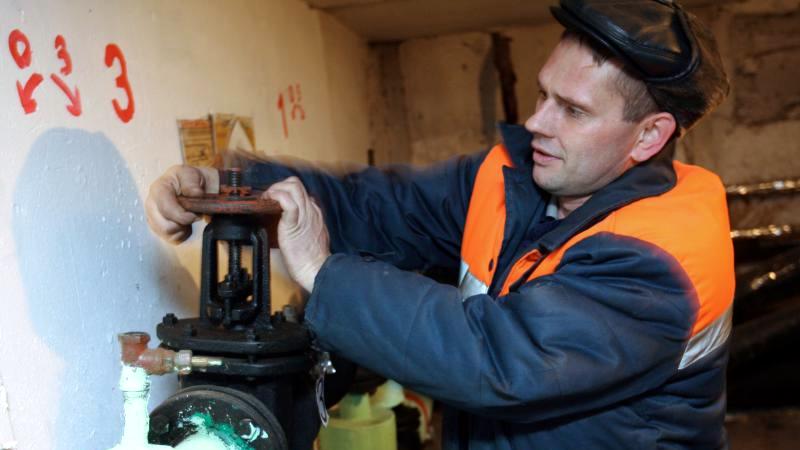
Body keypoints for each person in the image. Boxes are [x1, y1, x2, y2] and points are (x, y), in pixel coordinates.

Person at [146, 0, 734, 448]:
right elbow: (379, 207)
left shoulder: (660, 261)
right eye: (543, 95)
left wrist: (324, 273)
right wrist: (228, 190)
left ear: (648, 136)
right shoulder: (515, 176)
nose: (537, 122)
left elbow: (498, 360)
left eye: (573, 110)